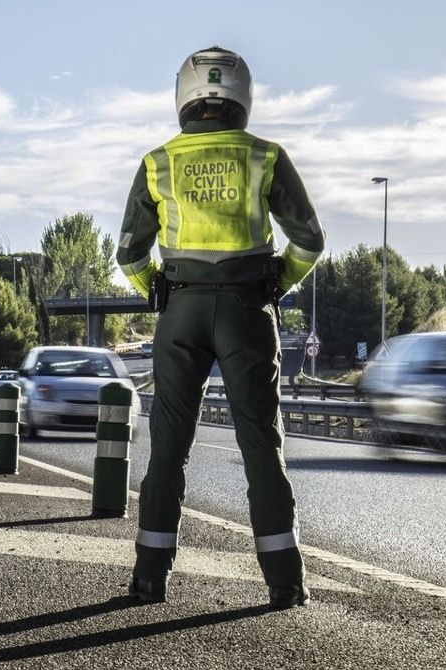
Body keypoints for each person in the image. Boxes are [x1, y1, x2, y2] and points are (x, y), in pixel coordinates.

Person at [115, 46, 325, 608]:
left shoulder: (157, 163)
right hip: (246, 309)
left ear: (183, 96)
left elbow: (129, 253)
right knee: (260, 442)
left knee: (168, 447)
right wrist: (277, 282)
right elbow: (309, 241)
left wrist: (152, 288)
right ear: (243, 97)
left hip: (180, 310)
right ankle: (285, 582)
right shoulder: (265, 157)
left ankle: (149, 578)